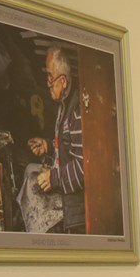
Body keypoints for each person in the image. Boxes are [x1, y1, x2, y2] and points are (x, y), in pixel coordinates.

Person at [25, 45, 85, 233]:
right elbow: (66, 145)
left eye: (51, 77)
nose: (48, 83)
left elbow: (83, 168)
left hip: (74, 205)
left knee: (32, 185)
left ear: (63, 81)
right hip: (64, 189)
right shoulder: (63, 106)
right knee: (29, 171)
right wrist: (48, 146)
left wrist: (54, 178)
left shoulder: (77, 112)